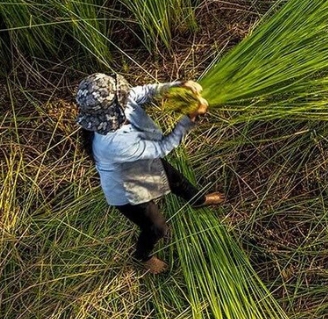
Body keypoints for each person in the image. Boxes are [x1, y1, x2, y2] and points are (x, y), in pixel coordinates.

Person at [76, 73, 222, 275]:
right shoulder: (111, 143)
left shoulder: (118, 99)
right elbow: (161, 147)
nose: (126, 95)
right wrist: (190, 118)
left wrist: (178, 86)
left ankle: (199, 200)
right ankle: (142, 257)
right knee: (156, 227)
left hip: (144, 160)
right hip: (127, 189)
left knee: (176, 180)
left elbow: (145, 91)